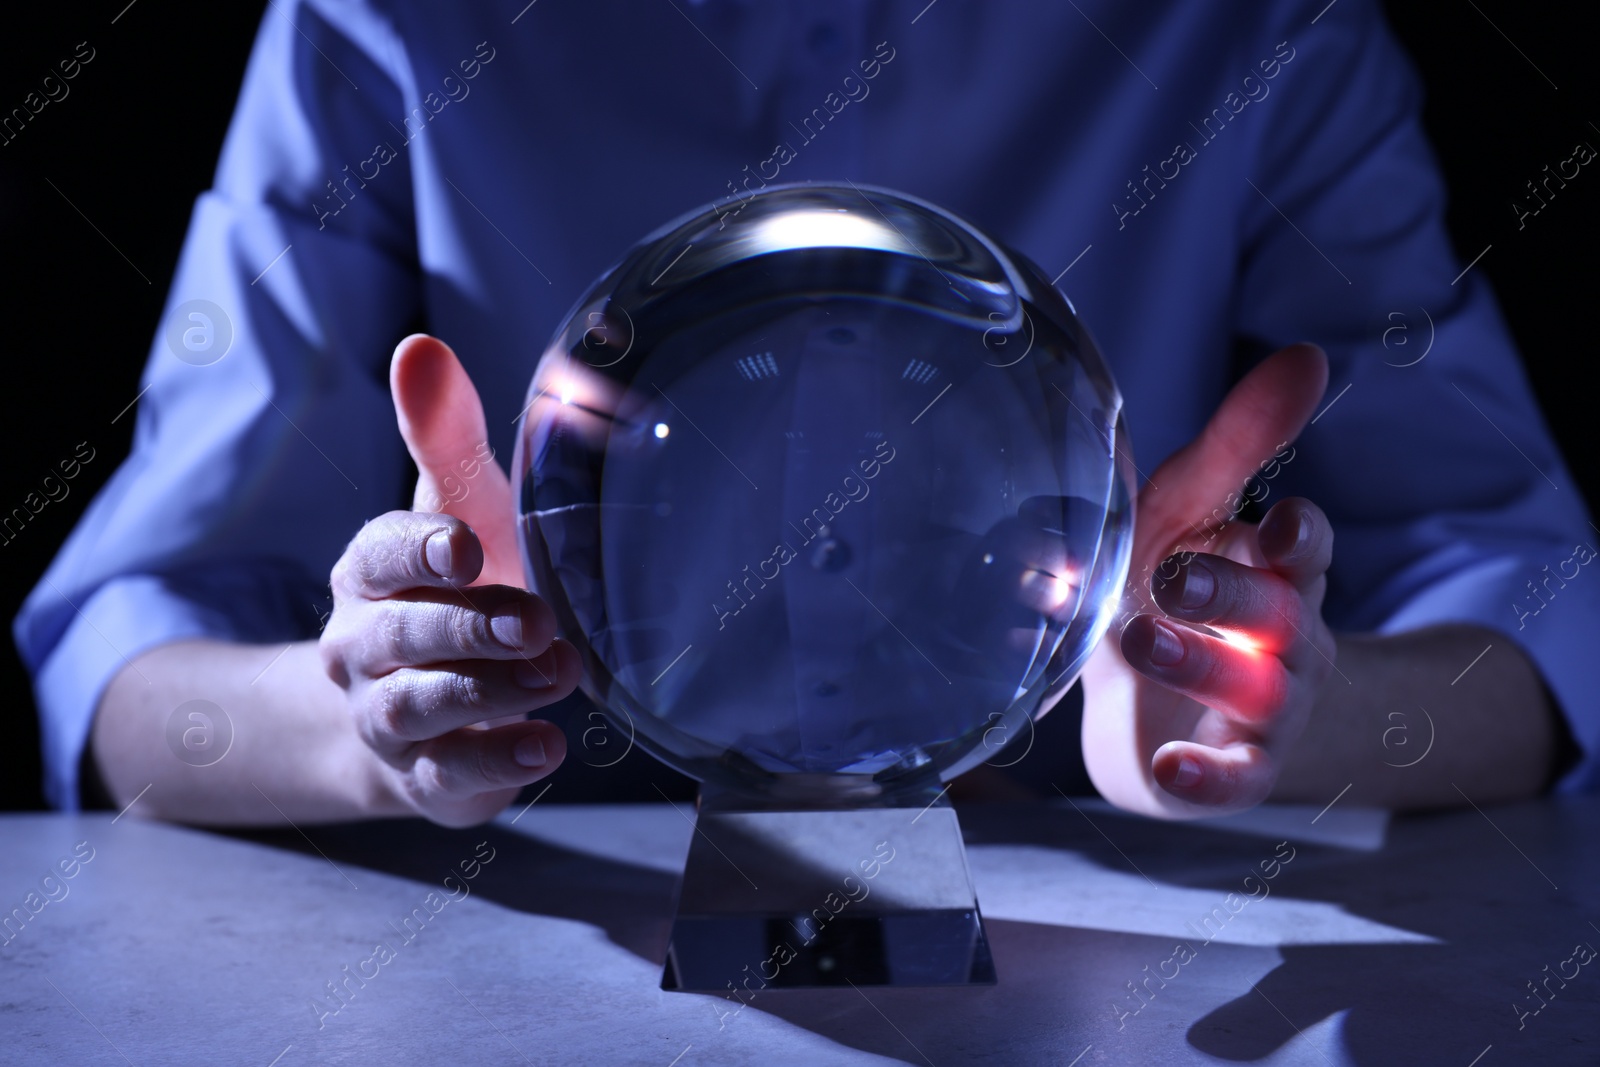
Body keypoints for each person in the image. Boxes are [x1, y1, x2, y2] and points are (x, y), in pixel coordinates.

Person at [15, 0, 1595, 827]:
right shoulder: (386, 16)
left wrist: (1287, 716)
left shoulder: (1250, 22)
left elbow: (1539, 611)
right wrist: (365, 728)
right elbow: (126, 671)